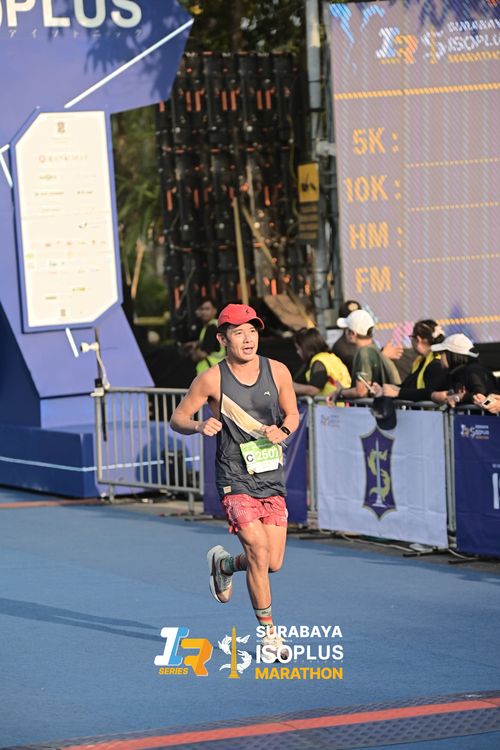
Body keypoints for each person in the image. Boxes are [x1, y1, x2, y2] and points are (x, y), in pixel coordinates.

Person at [170, 303, 299, 658]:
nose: (248, 339)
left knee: (272, 562)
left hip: (270, 476)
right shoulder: (211, 378)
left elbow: (292, 414)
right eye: (239, 332)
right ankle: (270, 635)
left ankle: (224, 564)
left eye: (252, 331)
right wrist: (199, 424)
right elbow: (177, 418)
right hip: (234, 477)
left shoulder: (278, 370)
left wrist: (283, 430)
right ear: (222, 339)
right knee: (257, 549)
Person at [332, 309, 401, 400]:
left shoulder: (364, 353)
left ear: (353, 333)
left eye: (346, 329)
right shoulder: (373, 349)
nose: (344, 333)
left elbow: (361, 391)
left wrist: (340, 392)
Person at [373, 319, 448, 402]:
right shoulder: (420, 362)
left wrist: (398, 393)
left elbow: (429, 393)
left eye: (411, 337)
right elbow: (408, 387)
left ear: (418, 339)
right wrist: (386, 389)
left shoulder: (436, 363)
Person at [332, 300, 403, 375]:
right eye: (353, 320)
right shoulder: (340, 347)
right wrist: (383, 356)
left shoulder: (368, 341)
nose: (358, 322)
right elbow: (361, 370)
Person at [430, 333, 498, 406]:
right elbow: (432, 391)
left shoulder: (474, 371)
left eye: (442, 353)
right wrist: (434, 396)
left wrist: (458, 397)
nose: (440, 357)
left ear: (452, 355)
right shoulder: (454, 374)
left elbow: (483, 399)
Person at [293, 327, 351, 397]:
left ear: (306, 348)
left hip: (330, 403)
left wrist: (291, 386)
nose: (298, 352)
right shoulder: (331, 357)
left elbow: (314, 390)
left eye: (298, 349)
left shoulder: (319, 362)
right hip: (343, 401)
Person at [183, 298, 225, 374]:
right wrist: (196, 343)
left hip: (210, 371)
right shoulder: (213, 325)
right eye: (202, 309)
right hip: (215, 370)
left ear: (214, 311)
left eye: (207, 309)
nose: (204, 312)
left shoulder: (211, 327)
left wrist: (192, 352)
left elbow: (202, 354)